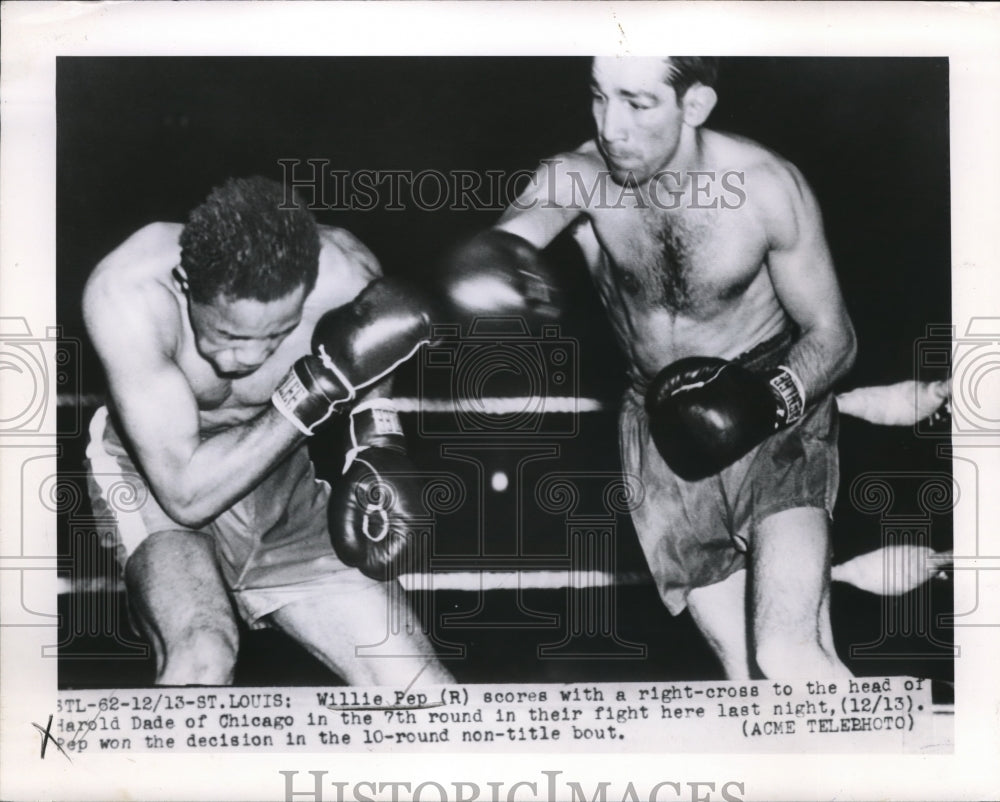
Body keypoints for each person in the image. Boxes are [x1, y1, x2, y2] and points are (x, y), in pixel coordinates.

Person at [488, 56, 862, 679]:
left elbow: (836, 337)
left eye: (637, 104)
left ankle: (893, 775)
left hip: (775, 413)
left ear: (694, 107)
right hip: (657, 428)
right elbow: (508, 243)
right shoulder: (579, 176)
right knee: (748, 679)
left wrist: (764, 403)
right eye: (599, 97)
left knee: (785, 653)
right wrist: (496, 268)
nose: (611, 127)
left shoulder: (765, 186)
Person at [82, 176, 453, 686]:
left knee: (422, 692)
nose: (250, 358)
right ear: (187, 281)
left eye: (277, 335)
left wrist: (378, 440)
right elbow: (186, 495)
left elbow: (376, 351)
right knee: (202, 656)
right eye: (228, 335)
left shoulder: (348, 278)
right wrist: (313, 389)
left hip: (280, 475)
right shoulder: (128, 292)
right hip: (154, 474)